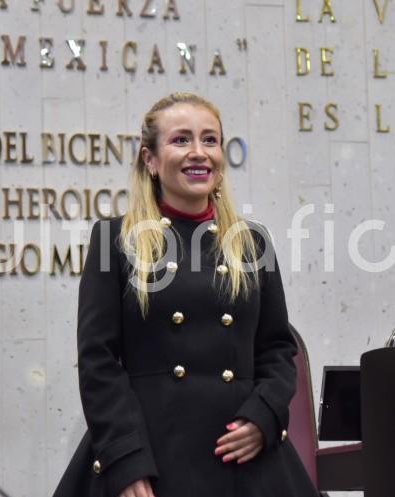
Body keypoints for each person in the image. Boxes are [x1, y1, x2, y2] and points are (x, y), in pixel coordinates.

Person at [53, 93, 317, 497]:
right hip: (155, 458)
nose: (199, 153)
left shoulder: (252, 242)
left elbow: (277, 350)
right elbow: (98, 363)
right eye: (181, 140)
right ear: (151, 160)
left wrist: (263, 416)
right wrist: (125, 460)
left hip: (245, 460)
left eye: (210, 140)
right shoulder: (114, 241)